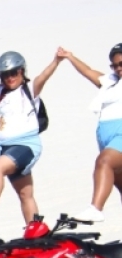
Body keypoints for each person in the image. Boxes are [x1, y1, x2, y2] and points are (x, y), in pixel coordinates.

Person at [0, 51, 62, 224]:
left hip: (25, 146)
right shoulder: (2, 92)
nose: (10, 78)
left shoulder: (29, 90)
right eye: (5, 75)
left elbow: (43, 76)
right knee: (25, 195)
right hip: (8, 148)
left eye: (14, 72)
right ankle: (36, 232)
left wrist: (56, 61)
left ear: (21, 71)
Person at [61, 43, 122, 223]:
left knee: (104, 161)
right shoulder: (110, 82)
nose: (118, 68)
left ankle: (95, 208)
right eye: (115, 65)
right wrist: (70, 56)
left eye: (121, 64)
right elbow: (88, 71)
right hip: (106, 138)